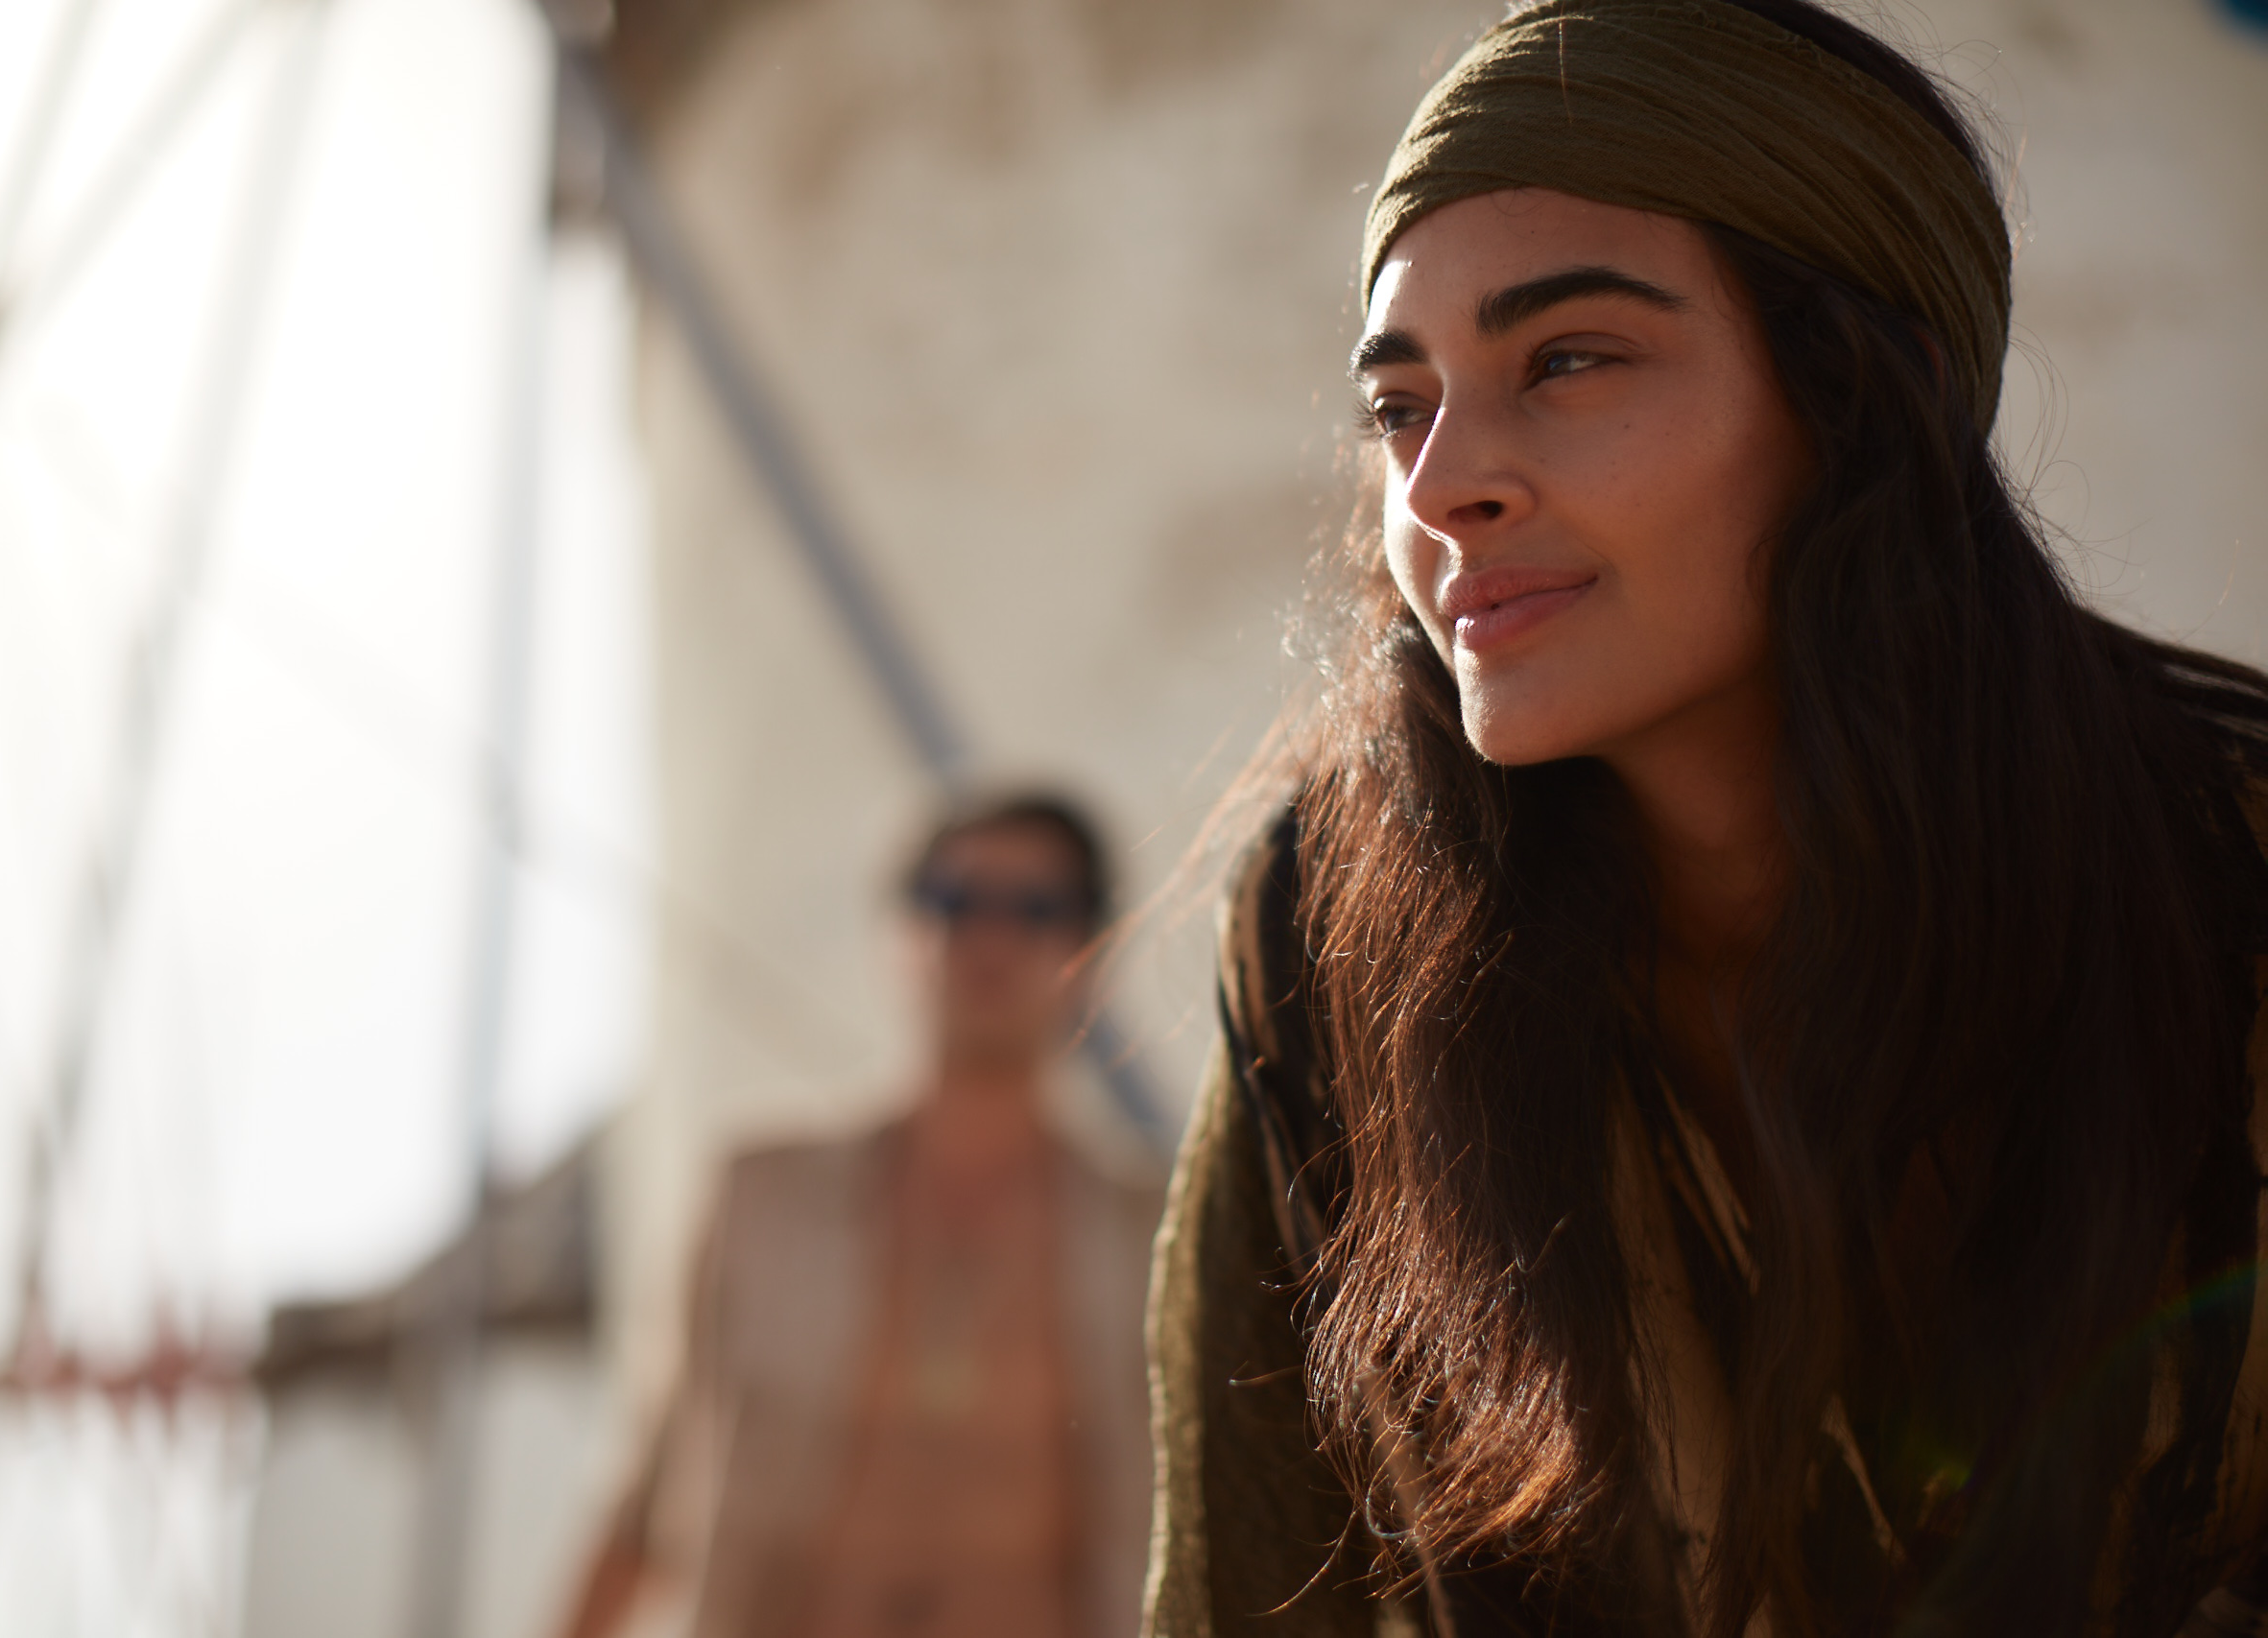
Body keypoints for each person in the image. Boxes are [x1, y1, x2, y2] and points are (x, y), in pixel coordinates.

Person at [1146, 3, 2268, 1634]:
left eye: (1569, 359)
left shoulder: (2233, 869)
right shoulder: (1336, 935)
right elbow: (1238, 1588)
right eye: (1399, 406)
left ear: (1865, 392)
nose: (1442, 484)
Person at [561, 794, 1163, 1638]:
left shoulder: (1152, 1236)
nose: (989, 937)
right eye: (955, 901)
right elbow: (652, 1496)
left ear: (1094, 948)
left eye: (1035, 908)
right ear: (900, 932)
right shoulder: (761, 1200)